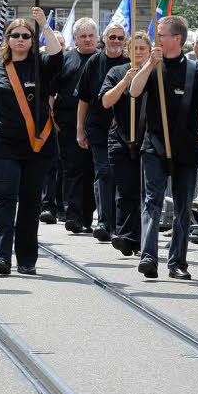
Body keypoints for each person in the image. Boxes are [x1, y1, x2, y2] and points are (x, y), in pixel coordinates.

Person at [0, 9, 62, 275]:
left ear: (32, 41)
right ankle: (1, 256)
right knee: (5, 198)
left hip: (37, 145)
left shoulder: (42, 65)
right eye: (15, 35)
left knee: (31, 202)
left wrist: (43, 25)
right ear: (7, 40)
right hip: (3, 145)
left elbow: (57, 56)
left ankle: (26, 259)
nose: (20, 39)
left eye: (25, 36)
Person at [130, 15, 198, 281]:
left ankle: (178, 261)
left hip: (187, 145)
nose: (157, 39)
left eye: (161, 35)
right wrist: (149, 64)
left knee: (183, 205)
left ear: (176, 39)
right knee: (152, 201)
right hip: (154, 143)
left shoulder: (196, 69)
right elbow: (134, 92)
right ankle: (148, 256)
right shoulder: (152, 65)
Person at [75, 22, 129, 241]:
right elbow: (83, 98)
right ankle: (104, 221)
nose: (116, 41)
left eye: (120, 38)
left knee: (121, 175)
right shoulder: (94, 62)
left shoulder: (129, 63)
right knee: (104, 173)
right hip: (98, 128)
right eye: (112, 37)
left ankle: (120, 221)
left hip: (125, 129)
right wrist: (80, 129)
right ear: (104, 39)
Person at [99, 31, 151, 257]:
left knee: (144, 190)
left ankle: (138, 238)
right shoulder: (117, 71)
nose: (138, 53)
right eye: (135, 48)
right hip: (120, 137)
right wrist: (125, 81)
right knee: (125, 187)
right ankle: (125, 233)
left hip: (148, 138)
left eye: (142, 49)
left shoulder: (155, 73)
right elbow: (105, 101)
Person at [52, 18, 99, 227]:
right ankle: (72, 214)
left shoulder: (103, 59)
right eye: (83, 36)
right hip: (68, 125)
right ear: (75, 39)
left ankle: (87, 215)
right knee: (72, 170)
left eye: (91, 36)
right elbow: (51, 91)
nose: (88, 40)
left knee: (92, 172)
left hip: (98, 126)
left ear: (97, 38)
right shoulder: (65, 60)